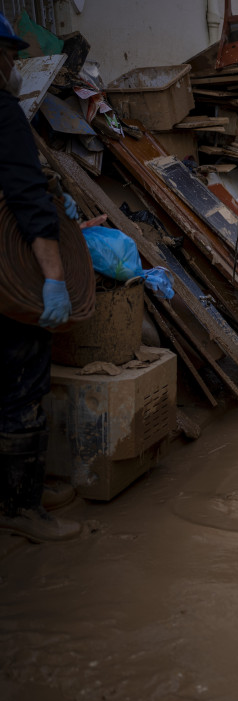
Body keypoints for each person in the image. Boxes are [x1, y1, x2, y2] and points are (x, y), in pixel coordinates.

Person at [0, 14, 82, 542]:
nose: (13, 64)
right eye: (8, 54)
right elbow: (28, 199)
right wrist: (54, 276)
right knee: (23, 381)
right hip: (8, 280)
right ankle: (21, 506)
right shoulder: (3, 111)